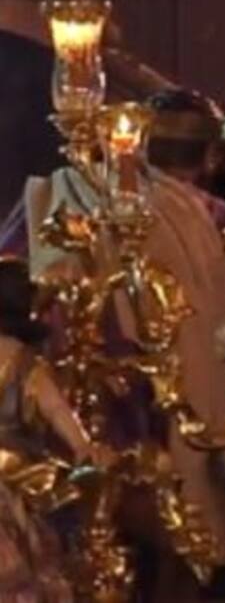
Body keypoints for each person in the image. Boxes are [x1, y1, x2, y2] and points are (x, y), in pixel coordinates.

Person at [0, 258, 104, 602]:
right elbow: (57, 410)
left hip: (14, 472)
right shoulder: (20, 359)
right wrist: (81, 445)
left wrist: (81, 445)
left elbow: (56, 409)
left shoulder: (20, 362)